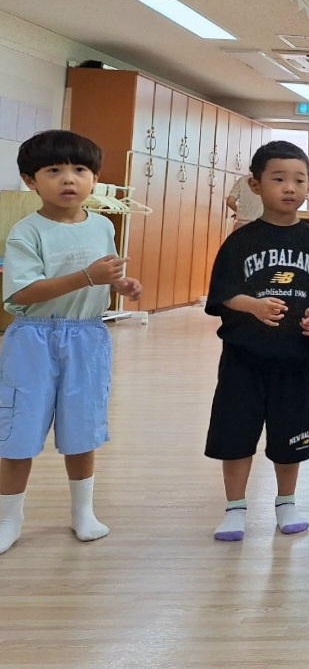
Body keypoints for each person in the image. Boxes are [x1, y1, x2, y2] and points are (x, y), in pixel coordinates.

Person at [0, 130, 142, 555]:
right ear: (31, 180)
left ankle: (83, 513)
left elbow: (104, 277)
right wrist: (86, 277)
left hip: (87, 337)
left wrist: (121, 285)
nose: (69, 178)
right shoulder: (26, 231)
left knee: (83, 428)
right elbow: (22, 293)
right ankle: (8, 519)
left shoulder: (102, 226)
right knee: (18, 431)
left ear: (94, 179)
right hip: (33, 339)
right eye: (54, 170)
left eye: (80, 169)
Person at [203, 141, 309, 541]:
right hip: (243, 359)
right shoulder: (240, 241)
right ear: (255, 185)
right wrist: (253, 306)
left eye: (299, 180)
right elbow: (222, 294)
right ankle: (235, 508)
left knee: (291, 435)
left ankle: (286, 502)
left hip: (295, 359)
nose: (289, 188)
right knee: (235, 434)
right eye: (279, 179)